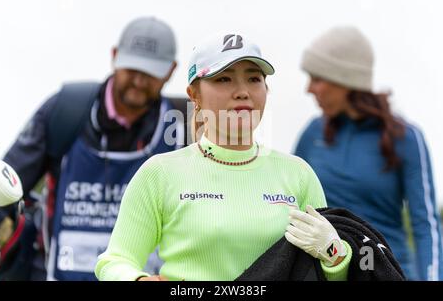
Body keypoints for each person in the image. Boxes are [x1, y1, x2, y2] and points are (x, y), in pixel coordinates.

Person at [95, 32, 353, 281]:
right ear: (194, 95)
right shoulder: (160, 173)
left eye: (254, 79)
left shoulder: (298, 174)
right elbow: (114, 260)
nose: (243, 91)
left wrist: (335, 256)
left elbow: (324, 274)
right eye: (224, 79)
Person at [0, 16, 184, 281]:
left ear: (171, 70)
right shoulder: (65, 110)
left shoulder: (184, 127)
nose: (139, 82)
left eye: (150, 73)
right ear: (115, 57)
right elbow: (5, 187)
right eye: (133, 69)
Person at [293, 26, 443, 280]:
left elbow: (425, 226)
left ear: (345, 80)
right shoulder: (312, 134)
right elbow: (289, 207)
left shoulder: (406, 138)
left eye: (317, 79)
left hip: (388, 272)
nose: (309, 89)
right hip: (327, 273)